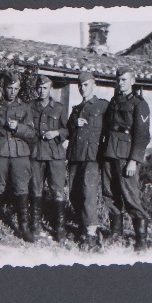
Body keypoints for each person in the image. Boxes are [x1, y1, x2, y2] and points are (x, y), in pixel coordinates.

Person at [102, 67, 152, 251]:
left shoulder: (139, 104)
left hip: (125, 154)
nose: (120, 82)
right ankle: (116, 232)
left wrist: (133, 160)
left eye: (124, 79)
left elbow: (142, 135)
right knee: (110, 193)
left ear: (132, 81)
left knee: (130, 195)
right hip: (109, 152)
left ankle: (141, 239)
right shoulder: (115, 101)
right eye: (118, 80)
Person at [0, 71, 36, 242]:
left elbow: (31, 133)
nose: (12, 91)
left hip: (19, 152)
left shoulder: (25, 107)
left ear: (19, 89)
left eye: (15, 88)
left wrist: (19, 127)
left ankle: (24, 227)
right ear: (4, 88)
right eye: (9, 88)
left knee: (22, 188)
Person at [67, 70, 109, 250]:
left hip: (92, 156)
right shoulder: (76, 109)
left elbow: (111, 128)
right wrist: (74, 124)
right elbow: (68, 129)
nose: (83, 88)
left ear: (94, 85)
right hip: (76, 155)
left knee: (88, 193)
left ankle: (92, 233)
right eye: (80, 85)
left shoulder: (102, 106)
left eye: (86, 85)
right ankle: (83, 226)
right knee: (73, 193)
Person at [29, 74, 69, 242]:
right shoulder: (30, 107)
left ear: (50, 89)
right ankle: (35, 225)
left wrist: (57, 132)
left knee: (58, 190)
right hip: (37, 153)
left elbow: (68, 130)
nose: (42, 91)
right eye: (39, 88)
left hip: (55, 155)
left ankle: (59, 228)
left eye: (45, 88)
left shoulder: (59, 108)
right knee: (35, 189)